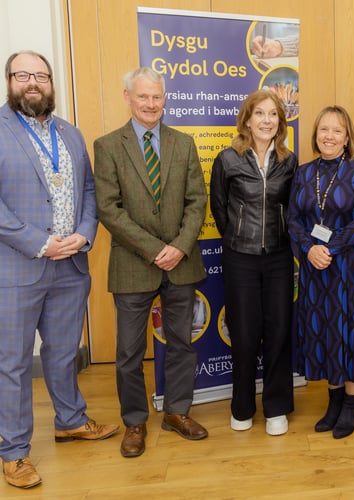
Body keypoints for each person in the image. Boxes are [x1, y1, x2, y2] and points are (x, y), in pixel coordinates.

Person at [0, 50, 118, 490]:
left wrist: (85, 234)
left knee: (63, 351)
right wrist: (39, 242)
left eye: (41, 75)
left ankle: (70, 420)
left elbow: (88, 188)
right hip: (17, 267)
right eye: (23, 75)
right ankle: (13, 452)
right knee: (12, 363)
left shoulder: (69, 133)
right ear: (10, 80)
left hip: (70, 265)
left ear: (51, 82)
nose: (33, 82)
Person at [94, 67, 208, 458]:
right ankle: (135, 422)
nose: (150, 104)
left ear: (165, 98)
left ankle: (177, 412)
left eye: (156, 97)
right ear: (127, 96)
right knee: (128, 352)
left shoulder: (183, 142)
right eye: (143, 97)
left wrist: (178, 246)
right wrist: (154, 248)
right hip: (132, 264)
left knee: (181, 342)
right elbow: (109, 209)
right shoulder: (108, 145)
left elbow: (197, 200)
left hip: (180, 261)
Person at [288, 105, 354, 439]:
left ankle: (352, 404)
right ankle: (334, 399)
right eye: (324, 129)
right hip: (315, 267)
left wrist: (331, 247)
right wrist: (310, 249)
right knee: (326, 331)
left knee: (352, 330)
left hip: (351, 267)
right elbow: (293, 218)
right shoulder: (303, 172)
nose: (329, 136)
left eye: (337, 130)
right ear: (315, 135)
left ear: (347, 137)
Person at [210, 89, 297, 436]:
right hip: (240, 258)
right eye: (259, 114)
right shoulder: (228, 159)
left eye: (273, 114)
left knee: (278, 331)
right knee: (244, 335)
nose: (266, 120)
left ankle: (277, 406)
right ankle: (242, 406)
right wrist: (237, 237)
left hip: (278, 257)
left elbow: (294, 207)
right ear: (247, 119)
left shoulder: (289, 160)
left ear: (280, 121)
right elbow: (218, 206)